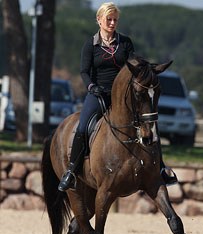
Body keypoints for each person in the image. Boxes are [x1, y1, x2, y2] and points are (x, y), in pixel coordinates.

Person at [58, 2, 177, 192]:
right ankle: (71, 172)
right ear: (99, 20)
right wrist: (91, 86)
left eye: (115, 20)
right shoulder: (91, 44)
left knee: (150, 123)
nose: (112, 23)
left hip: (122, 97)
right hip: (98, 93)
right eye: (109, 19)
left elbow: (135, 65)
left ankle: (161, 168)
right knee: (82, 126)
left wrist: (149, 69)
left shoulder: (125, 42)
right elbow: (84, 71)